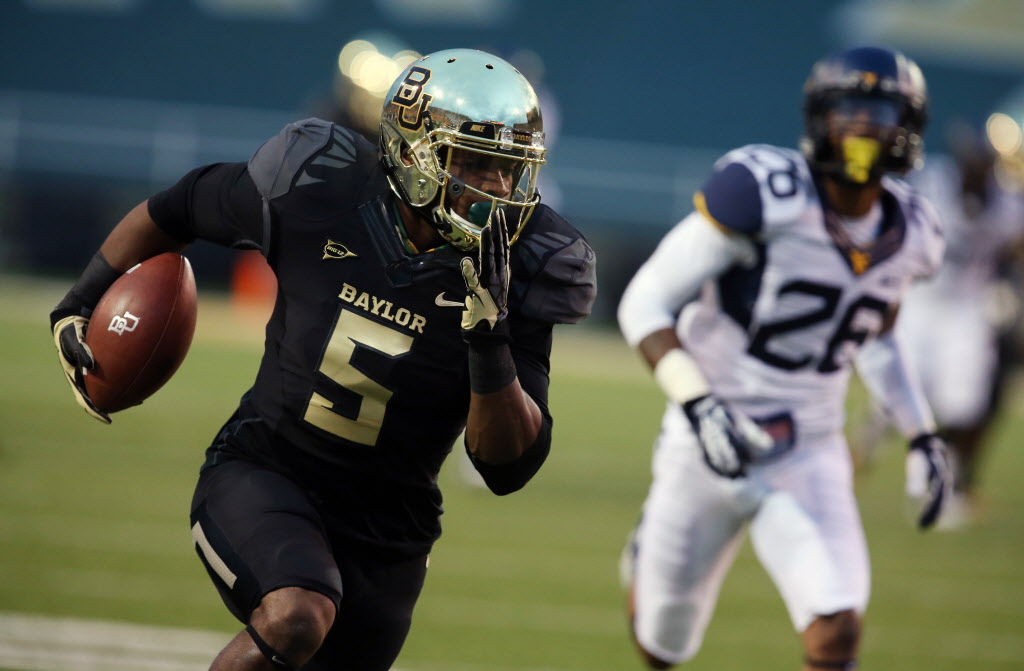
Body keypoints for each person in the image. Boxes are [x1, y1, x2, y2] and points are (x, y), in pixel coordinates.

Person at [50, 48, 596, 671]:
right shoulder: (320, 185)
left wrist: (490, 342)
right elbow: (181, 205)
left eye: (509, 169)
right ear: (413, 152)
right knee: (296, 615)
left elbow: (506, 466)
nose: (495, 189)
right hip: (267, 471)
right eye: (474, 163)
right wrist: (81, 299)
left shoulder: (526, 262)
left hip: (390, 534)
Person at [616, 46, 951, 670]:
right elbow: (645, 303)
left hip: (808, 448)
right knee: (663, 645)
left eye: (881, 112)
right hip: (707, 439)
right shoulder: (766, 192)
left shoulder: (915, 231)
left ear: (908, 127)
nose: (863, 127)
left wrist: (922, 434)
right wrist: (699, 403)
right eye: (849, 109)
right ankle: (647, 558)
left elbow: (878, 338)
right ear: (820, 117)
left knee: (837, 627)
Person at [888, 122, 1024, 526]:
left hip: (966, 308)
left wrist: (1008, 290)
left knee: (965, 403)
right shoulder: (930, 184)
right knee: (905, 395)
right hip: (920, 301)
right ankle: (882, 452)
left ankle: (945, 479)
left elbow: (1014, 251)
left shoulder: (1009, 204)